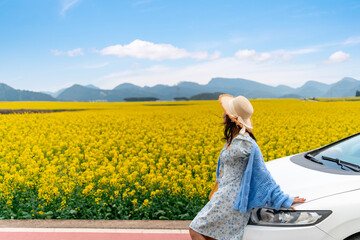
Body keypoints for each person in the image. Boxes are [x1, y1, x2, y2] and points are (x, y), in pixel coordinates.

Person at [189, 94, 306, 240]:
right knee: (211, 236)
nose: (223, 113)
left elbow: (262, 173)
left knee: (196, 229)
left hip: (232, 199)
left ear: (232, 117)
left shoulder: (246, 143)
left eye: (226, 111)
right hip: (222, 195)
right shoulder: (232, 138)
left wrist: (282, 199)